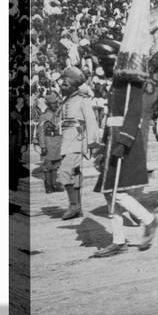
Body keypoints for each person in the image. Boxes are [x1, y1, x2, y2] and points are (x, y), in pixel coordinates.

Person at [92, 0, 158, 257]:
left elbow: (134, 114)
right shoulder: (116, 82)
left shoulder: (129, 81)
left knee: (118, 191)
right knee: (110, 193)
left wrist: (123, 141)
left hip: (124, 142)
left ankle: (148, 220)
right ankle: (118, 240)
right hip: (113, 139)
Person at [58, 66, 99, 220]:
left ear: (74, 86)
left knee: (65, 172)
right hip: (66, 142)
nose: (62, 86)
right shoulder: (66, 100)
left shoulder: (83, 100)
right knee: (74, 175)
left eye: (66, 84)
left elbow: (91, 122)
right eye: (62, 83)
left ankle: (73, 205)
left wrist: (92, 142)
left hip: (76, 142)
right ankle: (78, 207)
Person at [37, 93, 63, 193]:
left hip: (58, 143)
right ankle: (48, 186)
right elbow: (41, 132)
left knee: (56, 165)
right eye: (53, 104)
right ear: (48, 105)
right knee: (47, 166)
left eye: (56, 103)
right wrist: (43, 146)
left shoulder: (58, 115)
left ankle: (54, 184)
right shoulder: (43, 117)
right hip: (48, 143)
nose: (56, 105)